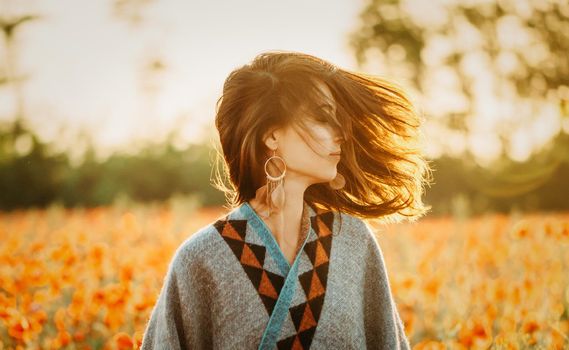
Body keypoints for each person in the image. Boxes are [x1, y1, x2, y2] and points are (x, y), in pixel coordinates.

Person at [140, 50, 432, 349]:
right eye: (322, 117)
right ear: (271, 135)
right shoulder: (201, 259)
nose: (341, 133)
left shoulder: (353, 242)